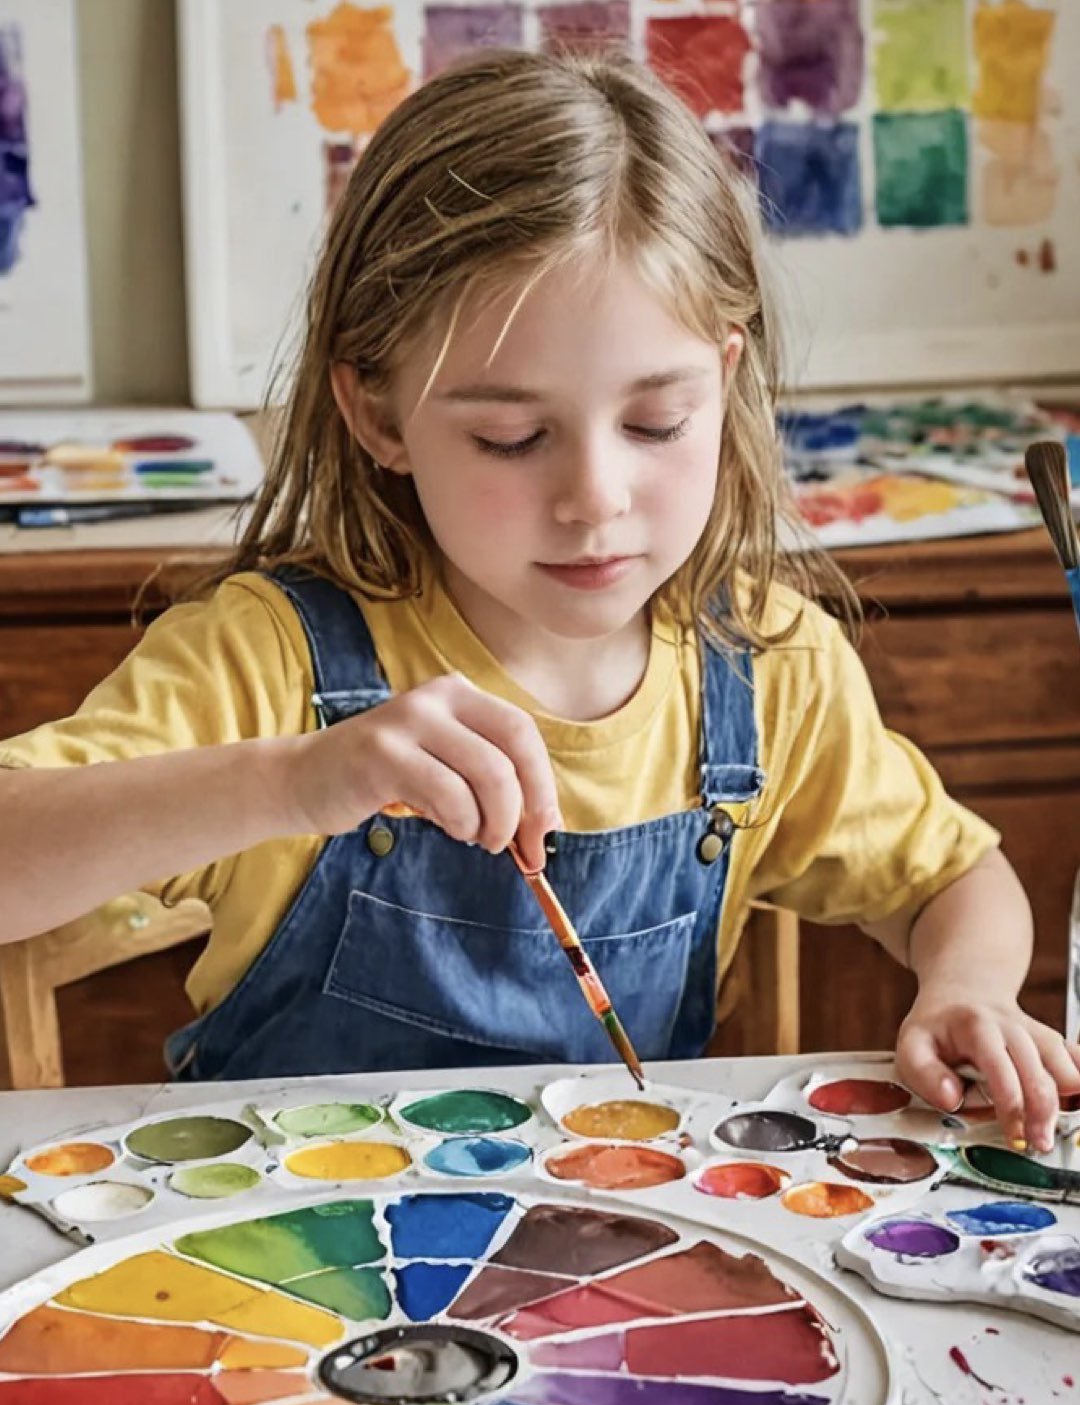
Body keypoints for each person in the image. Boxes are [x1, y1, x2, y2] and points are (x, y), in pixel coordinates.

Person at [1, 50, 1075, 1151]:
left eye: (658, 422)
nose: (594, 500)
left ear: (725, 376)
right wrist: (291, 780)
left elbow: (956, 880)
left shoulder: (768, 666)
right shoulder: (268, 662)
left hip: (619, 1261)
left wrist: (972, 989)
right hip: (297, 1268)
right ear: (378, 413)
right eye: (512, 438)